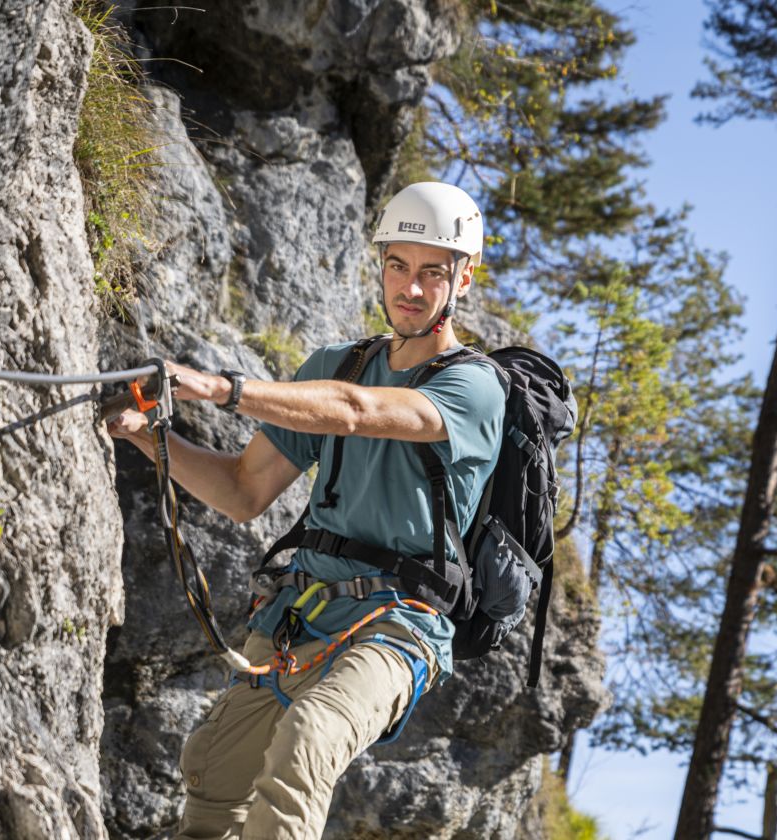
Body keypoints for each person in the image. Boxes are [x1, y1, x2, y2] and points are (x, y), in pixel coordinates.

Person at [107, 182, 506, 840]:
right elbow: (242, 491)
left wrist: (220, 389)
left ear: (464, 277)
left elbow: (360, 413)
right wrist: (146, 437)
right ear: (379, 265)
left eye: (433, 272)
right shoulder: (336, 365)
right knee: (211, 773)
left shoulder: (474, 386)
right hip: (303, 612)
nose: (411, 288)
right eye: (397, 265)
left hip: (398, 628)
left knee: (310, 737)